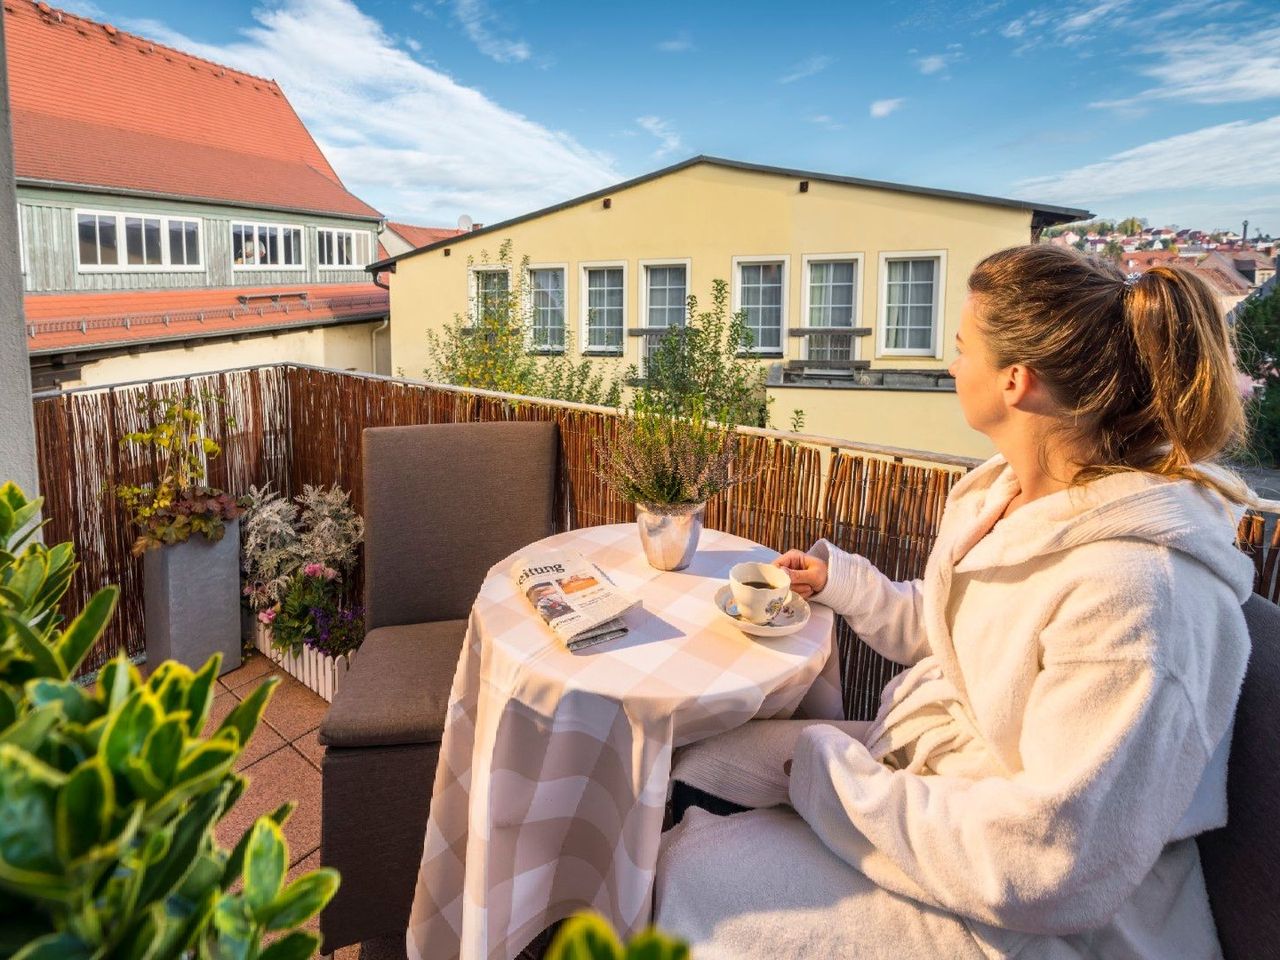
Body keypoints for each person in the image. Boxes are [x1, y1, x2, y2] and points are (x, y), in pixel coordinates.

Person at [654, 244, 1255, 959]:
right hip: (931, 781)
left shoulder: (1138, 595)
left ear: (1014, 381)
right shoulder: (1006, 492)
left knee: (683, 871)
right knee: (687, 765)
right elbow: (959, 634)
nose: (949, 364)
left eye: (962, 347)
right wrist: (840, 584)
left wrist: (828, 773)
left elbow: (1047, 863)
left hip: (1035, 914)